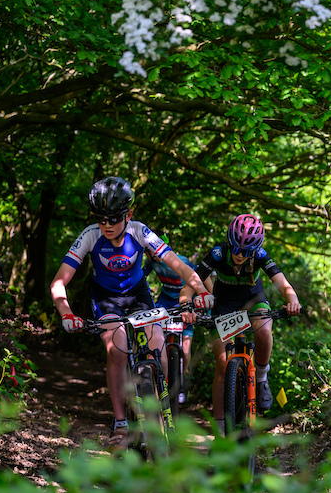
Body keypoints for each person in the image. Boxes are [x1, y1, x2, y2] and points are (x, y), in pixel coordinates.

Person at [50, 176, 213, 448]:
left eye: (114, 218)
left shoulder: (140, 231)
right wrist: (66, 312)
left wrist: (203, 291)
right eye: (101, 219)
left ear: (129, 214)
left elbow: (180, 266)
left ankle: (160, 414)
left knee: (158, 346)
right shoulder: (91, 235)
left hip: (139, 296)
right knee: (117, 347)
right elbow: (59, 282)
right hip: (107, 300)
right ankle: (120, 423)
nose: (107, 225)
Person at [194, 214, 301, 437]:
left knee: (263, 329)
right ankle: (220, 430)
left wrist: (292, 301)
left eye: (246, 251)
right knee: (223, 363)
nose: (239, 255)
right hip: (224, 304)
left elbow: (281, 282)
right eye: (235, 248)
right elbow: (194, 279)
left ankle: (261, 377)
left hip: (253, 298)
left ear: (255, 248)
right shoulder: (218, 253)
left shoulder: (260, 255)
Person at [143, 250, 199, 405]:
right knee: (158, 341)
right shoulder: (151, 262)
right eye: (147, 252)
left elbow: (199, 275)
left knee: (186, 351)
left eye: (152, 252)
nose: (151, 255)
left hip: (185, 302)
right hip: (165, 301)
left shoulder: (181, 260)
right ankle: (161, 380)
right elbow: (140, 278)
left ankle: (180, 381)